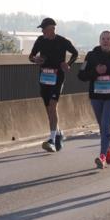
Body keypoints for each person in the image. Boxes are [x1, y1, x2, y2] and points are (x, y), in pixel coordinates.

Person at [78, 31, 110, 169]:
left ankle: (102, 157)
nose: (106, 41)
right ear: (99, 40)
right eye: (103, 39)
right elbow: (81, 75)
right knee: (102, 127)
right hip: (96, 96)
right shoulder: (91, 55)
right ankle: (109, 148)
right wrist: (95, 72)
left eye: (108, 39)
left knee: (106, 125)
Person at [28, 18, 78, 152]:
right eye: (42, 29)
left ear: (52, 29)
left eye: (44, 29)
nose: (42, 31)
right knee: (49, 109)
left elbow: (75, 53)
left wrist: (68, 64)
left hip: (57, 78)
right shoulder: (40, 40)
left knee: (52, 106)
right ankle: (58, 133)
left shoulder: (63, 41)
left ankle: (51, 139)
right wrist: (35, 59)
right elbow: (31, 56)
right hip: (44, 78)